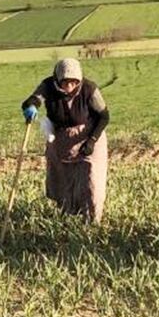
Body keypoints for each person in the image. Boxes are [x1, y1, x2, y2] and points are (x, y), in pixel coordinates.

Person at [20, 58, 110, 223]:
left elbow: (104, 117)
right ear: (57, 79)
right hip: (61, 139)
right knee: (63, 180)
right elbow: (34, 99)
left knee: (91, 181)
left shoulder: (89, 89)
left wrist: (91, 141)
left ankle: (92, 223)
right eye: (65, 82)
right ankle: (67, 217)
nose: (69, 87)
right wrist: (30, 107)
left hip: (89, 136)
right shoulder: (48, 86)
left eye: (73, 82)